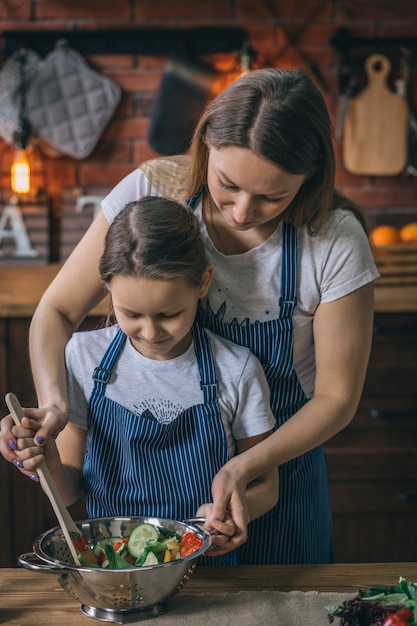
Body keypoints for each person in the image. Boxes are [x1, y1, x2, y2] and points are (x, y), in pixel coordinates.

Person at [0, 67, 379, 565]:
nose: (243, 211)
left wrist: (245, 467)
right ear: (206, 147)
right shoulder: (152, 190)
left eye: (272, 196)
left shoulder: (333, 240)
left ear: (309, 177)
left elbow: (336, 398)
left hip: (276, 479)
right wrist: (54, 406)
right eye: (228, 184)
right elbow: (57, 309)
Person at [7, 196, 277, 565]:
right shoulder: (83, 358)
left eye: (169, 314)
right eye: (131, 313)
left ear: (203, 282)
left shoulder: (237, 369)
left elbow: (267, 487)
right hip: (116, 569)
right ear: (107, 287)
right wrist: (47, 461)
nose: (150, 332)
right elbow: (70, 490)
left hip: (211, 569)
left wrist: (230, 512)